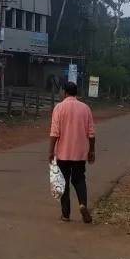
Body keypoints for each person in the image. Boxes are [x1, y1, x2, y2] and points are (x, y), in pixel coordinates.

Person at [48, 81, 96, 223]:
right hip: (80, 153)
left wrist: (51, 151)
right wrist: (91, 150)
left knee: (63, 183)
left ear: (65, 93)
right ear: (76, 92)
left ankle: (65, 214)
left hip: (63, 153)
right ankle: (82, 204)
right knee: (79, 180)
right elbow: (91, 133)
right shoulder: (85, 108)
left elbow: (55, 132)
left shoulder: (59, 108)